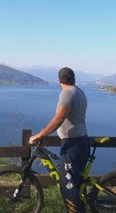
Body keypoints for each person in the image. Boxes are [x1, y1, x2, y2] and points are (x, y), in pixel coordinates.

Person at [29, 67, 89, 213]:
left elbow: (59, 118)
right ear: (74, 79)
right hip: (80, 142)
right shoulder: (79, 92)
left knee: (68, 186)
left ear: (59, 80)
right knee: (76, 184)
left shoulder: (67, 93)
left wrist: (39, 135)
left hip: (72, 145)